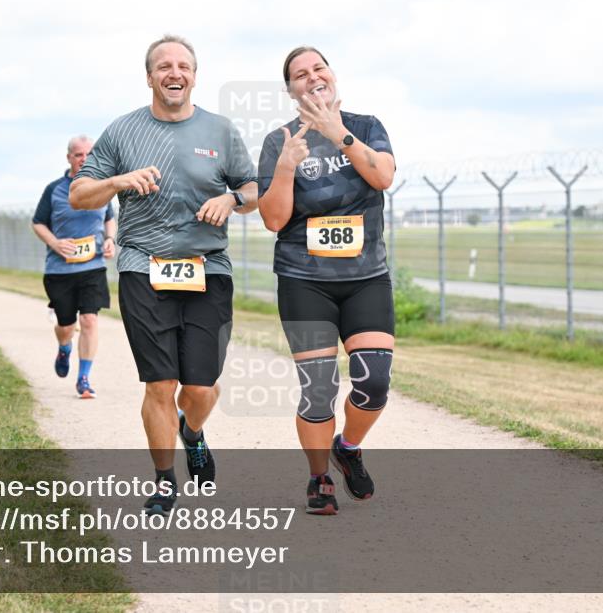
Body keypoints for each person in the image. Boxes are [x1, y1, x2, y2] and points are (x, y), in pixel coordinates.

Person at [70, 35, 258, 515]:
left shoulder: (220, 131)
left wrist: (231, 199)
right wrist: (116, 181)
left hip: (207, 270)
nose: (174, 73)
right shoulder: (123, 131)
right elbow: (80, 195)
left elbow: (255, 188)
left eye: (183, 66)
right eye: (164, 66)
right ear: (149, 76)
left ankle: (192, 431)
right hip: (142, 267)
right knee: (160, 384)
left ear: (195, 75)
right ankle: (163, 481)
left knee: (200, 387)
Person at [257, 46, 397, 515]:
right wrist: (286, 166)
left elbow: (382, 178)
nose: (312, 77)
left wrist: (338, 134)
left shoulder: (366, 125)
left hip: (365, 278)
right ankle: (319, 478)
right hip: (305, 279)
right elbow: (274, 220)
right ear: (291, 89)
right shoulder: (279, 140)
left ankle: (349, 447)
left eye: (318, 68)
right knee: (319, 388)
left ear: (332, 76)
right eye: (300, 74)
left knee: (374, 381)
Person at [32, 135, 118, 398]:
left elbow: (109, 218)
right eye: (79, 154)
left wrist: (111, 239)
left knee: (90, 320)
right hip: (60, 270)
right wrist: (55, 243)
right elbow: (38, 223)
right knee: (66, 326)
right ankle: (64, 347)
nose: (84, 159)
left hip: (92, 267)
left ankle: (83, 379)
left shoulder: (101, 186)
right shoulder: (55, 189)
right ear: (69, 157)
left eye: (89, 154)